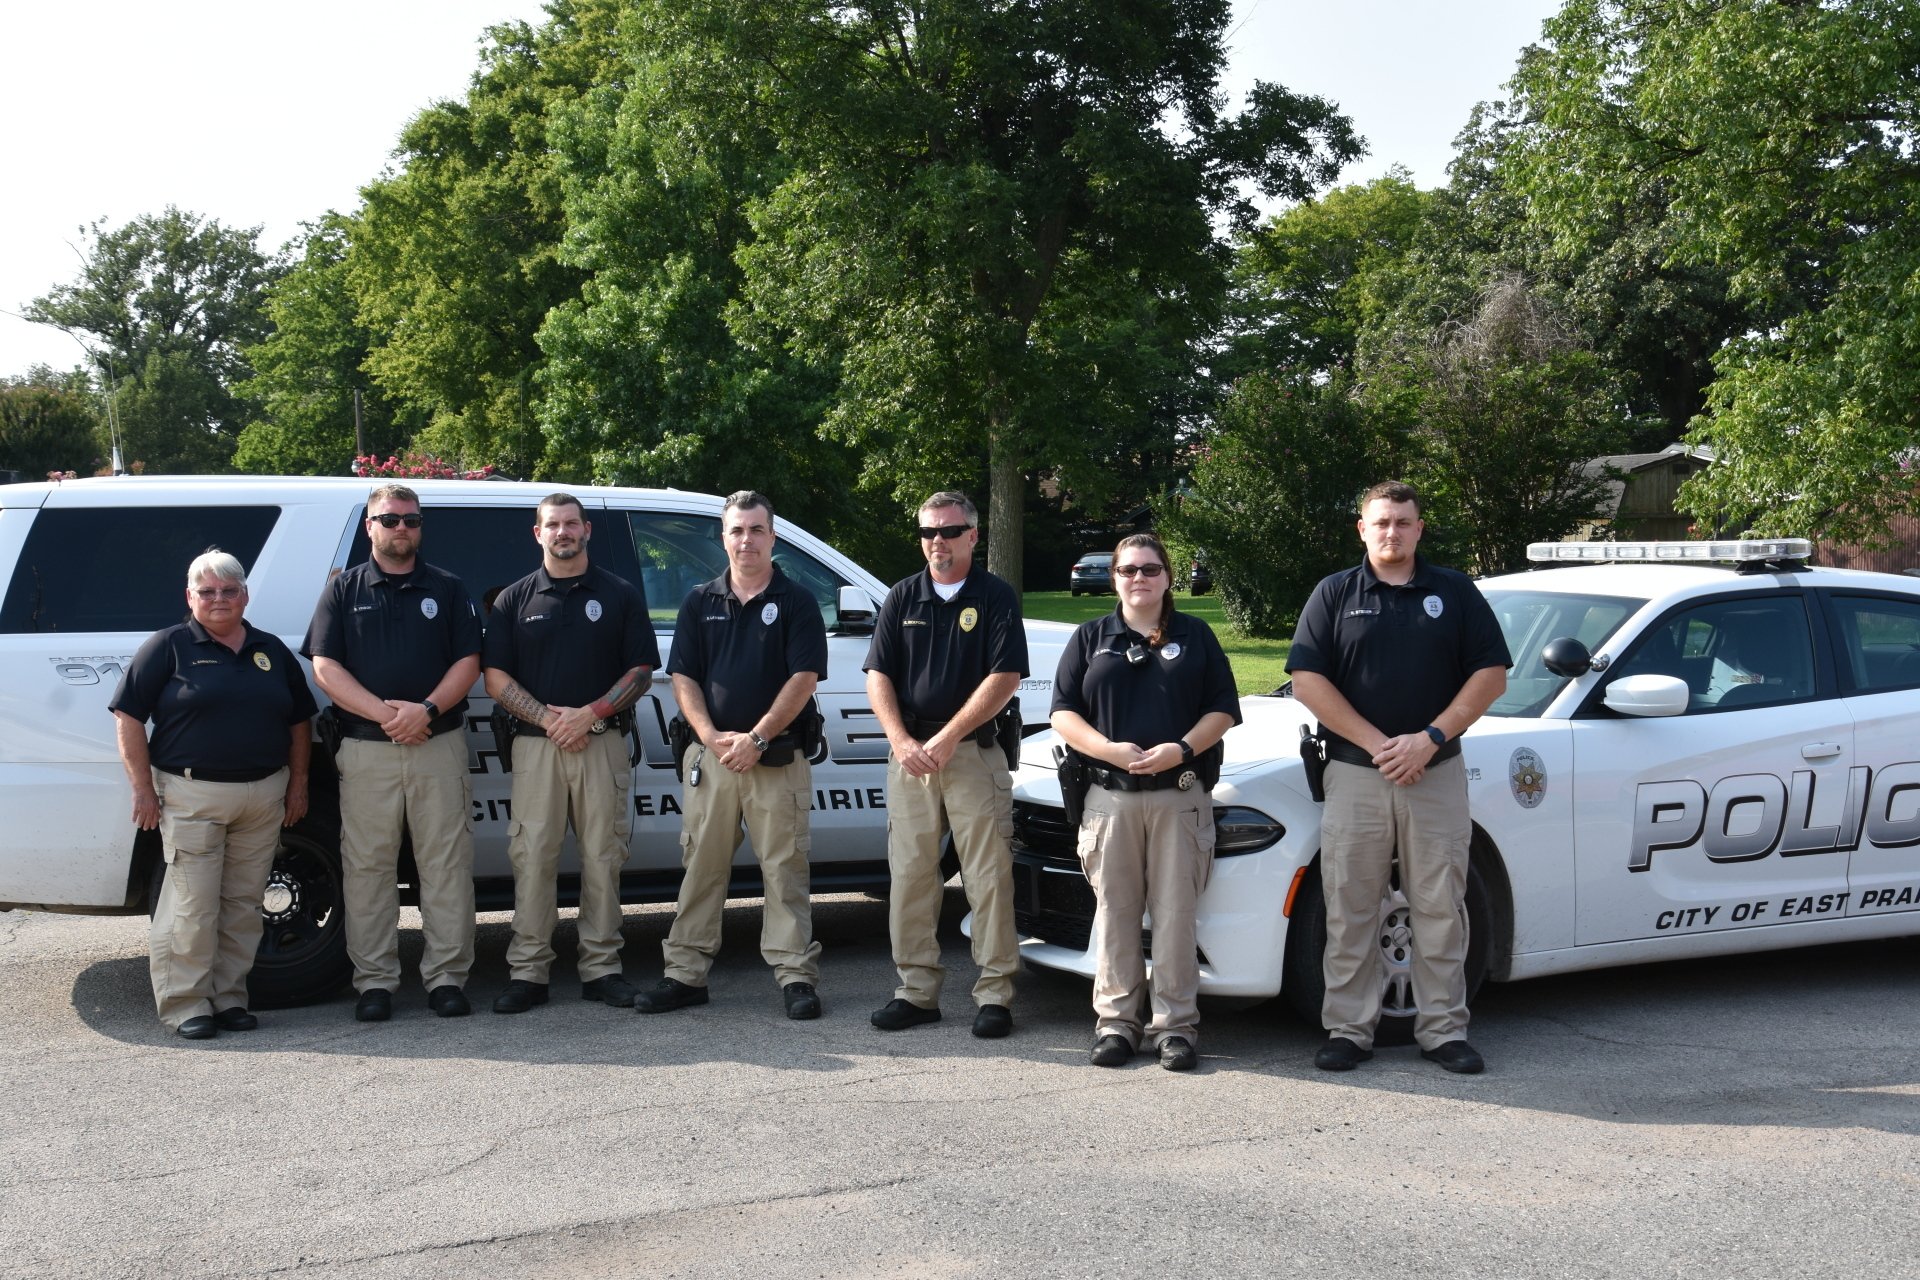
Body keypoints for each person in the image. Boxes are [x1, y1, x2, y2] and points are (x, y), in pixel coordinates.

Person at [1286, 481, 1510, 1075]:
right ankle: (1349, 1029)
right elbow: (1308, 680)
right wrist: (1378, 744)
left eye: (1403, 522)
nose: (1392, 532)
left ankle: (1443, 1030)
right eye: (1381, 522)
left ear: (1419, 528)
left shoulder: (1454, 592)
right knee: (1351, 905)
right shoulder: (1334, 594)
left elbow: (1490, 675)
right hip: (1356, 774)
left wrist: (1429, 739)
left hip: (1434, 772)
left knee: (1439, 904)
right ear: (1362, 528)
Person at [634, 491, 829, 1020]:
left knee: (784, 870)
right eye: (736, 530)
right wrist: (711, 734)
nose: (746, 540)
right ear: (723, 538)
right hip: (712, 758)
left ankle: (795, 976)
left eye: (756, 530)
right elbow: (683, 676)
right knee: (701, 866)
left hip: (776, 758)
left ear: (773, 536)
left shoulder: (797, 601)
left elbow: (803, 678)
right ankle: (685, 974)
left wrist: (757, 738)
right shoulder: (700, 600)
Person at [1050, 532, 1240, 1071]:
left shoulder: (1196, 635)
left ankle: (1175, 1027)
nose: (1139, 578)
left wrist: (1181, 749)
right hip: (1109, 800)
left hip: (1179, 796)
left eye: (1150, 569)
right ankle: (1116, 1024)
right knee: (1115, 913)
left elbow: (1223, 709)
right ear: (1114, 577)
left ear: (1168, 577)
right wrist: (1106, 749)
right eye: (1128, 570)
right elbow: (1063, 711)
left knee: (1177, 916)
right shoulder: (1090, 637)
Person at [109, 550, 317, 1039]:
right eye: (207, 592)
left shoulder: (270, 650)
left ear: (245, 595)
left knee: (244, 904)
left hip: (263, 793)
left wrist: (299, 783)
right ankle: (185, 1005)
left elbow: (299, 720)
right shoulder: (168, 646)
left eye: (229, 591)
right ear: (190, 597)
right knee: (193, 905)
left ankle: (228, 998)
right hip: (191, 794)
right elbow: (128, 717)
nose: (218, 599)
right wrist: (142, 789)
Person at [303, 484, 483, 1022]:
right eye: (389, 519)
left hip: (438, 742)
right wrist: (389, 716)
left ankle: (447, 979)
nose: (400, 528)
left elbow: (469, 661)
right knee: (367, 868)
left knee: (446, 865)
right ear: (370, 526)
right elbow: (325, 667)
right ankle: (375, 982)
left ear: (420, 526)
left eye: (410, 519)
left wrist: (423, 711)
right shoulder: (342, 590)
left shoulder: (448, 589)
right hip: (366, 749)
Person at [482, 493, 659, 1014]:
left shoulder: (619, 593)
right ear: (538, 534)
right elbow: (495, 677)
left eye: (571, 524)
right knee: (532, 857)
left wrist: (590, 714)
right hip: (536, 748)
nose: (563, 532)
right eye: (552, 525)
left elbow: (641, 671)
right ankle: (528, 972)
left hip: (601, 742)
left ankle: (601, 968)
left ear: (586, 530)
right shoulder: (513, 599)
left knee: (603, 857)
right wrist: (549, 719)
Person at [863, 491, 1028, 1038]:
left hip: (973, 753)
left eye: (951, 531)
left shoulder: (995, 597)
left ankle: (996, 993)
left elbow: (1004, 677)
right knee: (910, 877)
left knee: (987, 877)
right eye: (930, 532)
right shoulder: (902, 596)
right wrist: (900, 738)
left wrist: (951, 735)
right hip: (910, 757)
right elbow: (878, 674)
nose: (939, 541)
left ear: (973, 536)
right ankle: (916, 992)